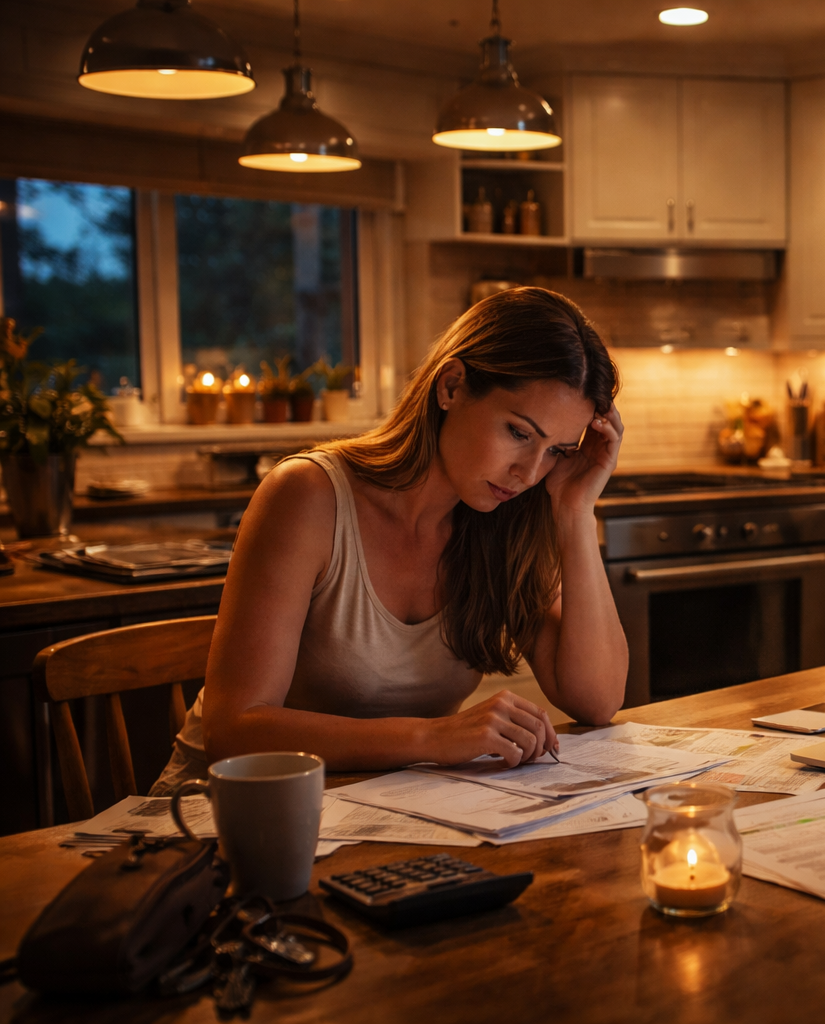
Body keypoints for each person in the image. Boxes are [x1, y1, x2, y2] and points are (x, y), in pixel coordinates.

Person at [151, 286, 628, 792]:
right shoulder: (309, 496)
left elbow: (597, 700)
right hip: (220, 820)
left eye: (556, 449)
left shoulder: (507, 521)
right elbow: (235, 730)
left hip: (380, 812)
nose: (529, 472)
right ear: (451, 387)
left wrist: (576, 511)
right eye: (518, 433)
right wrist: (431, 739)